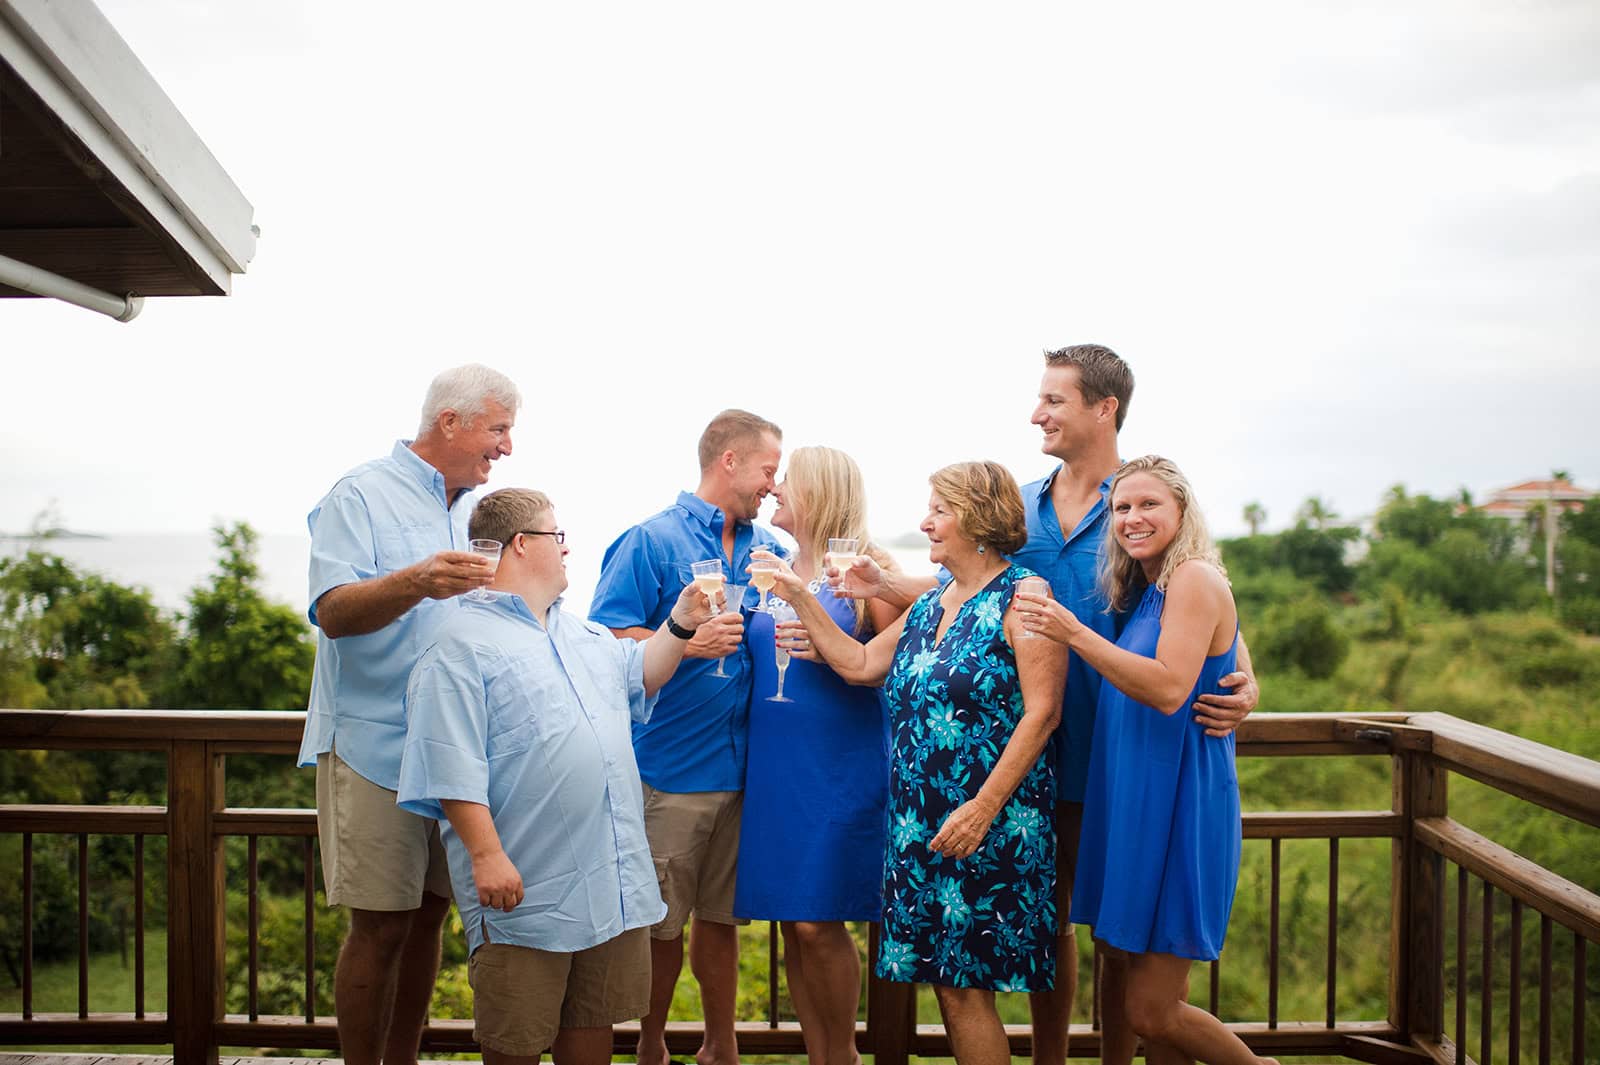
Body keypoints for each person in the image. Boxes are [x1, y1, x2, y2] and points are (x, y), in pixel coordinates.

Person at [829, 344, 1259, 1065]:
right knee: (1045, 926)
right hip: (1029, 759)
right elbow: (973, 595)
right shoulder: (1019, 506)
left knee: (1120, 941)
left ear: (1103, 407)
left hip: (1120, 755)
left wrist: (1246, 675)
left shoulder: (1140, 502)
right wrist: (884, 584)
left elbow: (1202, 612)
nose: (1038, 414)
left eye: (1054, 400)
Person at [760, 461, 1068, 1065]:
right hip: (919, 821)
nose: (924, 523)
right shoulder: (931, 604)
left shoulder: (1025, 595)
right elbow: (857, 664)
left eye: (938, 511)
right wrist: (799, 594)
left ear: (977, 520)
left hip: (991, 821)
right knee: (951, 989)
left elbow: (1044, 712)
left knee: (965, 990)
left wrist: (981, 809)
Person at [396, 488, 717, 1065]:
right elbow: (449, 759)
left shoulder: (585, 635)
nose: (567, 552)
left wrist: (681, 623)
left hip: (605, 882)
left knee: (592, 1025)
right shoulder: (458, 645)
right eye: (556, 537)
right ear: (522, 544)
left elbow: (641, 674)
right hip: (528, 888)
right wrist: (486, 855)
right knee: (515, 1041)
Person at [1013, 456, 1277, 1065]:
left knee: (1151, 1010)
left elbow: (1166, 687)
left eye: (1149, 505)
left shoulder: (1192, 578)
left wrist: (1073, 632)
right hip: (1138, 801)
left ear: (1183, 510)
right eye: (1122, 508)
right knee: (1145, 991)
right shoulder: (1146, 585)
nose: (1132, 518)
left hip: (1180, 803)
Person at [297, 363, 520, 1065]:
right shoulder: (359, 493)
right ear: (449, 422)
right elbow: (333, 613)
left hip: (449, 751)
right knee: (381, 927)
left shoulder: (466, 512)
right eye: (499, 428)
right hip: (374, 745)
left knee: (428, 919)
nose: (507, 446)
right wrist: (419, 580)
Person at [588, 409, 784, 1065]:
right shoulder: (649, 541)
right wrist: (689, 643)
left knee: (722, 923)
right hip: (668, 769)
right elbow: (605, 639)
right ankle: (650, 1046)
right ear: (728, 460)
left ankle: (721, 1045)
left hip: (746, 773)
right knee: (662, 925)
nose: (773, 485)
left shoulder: (769, 552)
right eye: (767, 470)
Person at [733, 446, 900, 1065]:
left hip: (838, 763)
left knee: (816, 920)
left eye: (787, 482)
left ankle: (845, 1057)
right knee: (791, 923)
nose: (774, 489)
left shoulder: (867, 568)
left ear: (819, 492)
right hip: (775, 767)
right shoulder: (769, 567)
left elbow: (893, 662)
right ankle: (818, 1055)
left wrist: (836, 647)